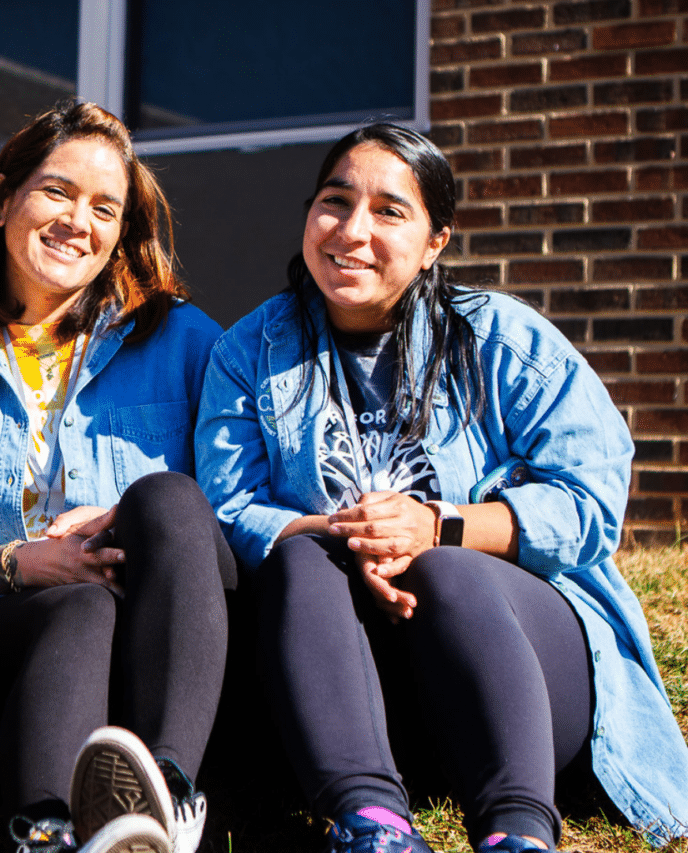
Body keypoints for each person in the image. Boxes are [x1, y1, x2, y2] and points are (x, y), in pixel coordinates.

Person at [195, 122, 688, 853]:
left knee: (448, 565)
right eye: (335, 202)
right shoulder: (247, 352)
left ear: (435, 242)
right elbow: (230, 509)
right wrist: (359, 537)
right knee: (302, 556)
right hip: (345, 689)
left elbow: (589, 504)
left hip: (516, 678)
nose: (352, 230)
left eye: (389, 211)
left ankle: (518, 830)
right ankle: (371, 823)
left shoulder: (503, 341)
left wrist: (435, 526)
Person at [0, 102, 235, 853]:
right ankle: (48, 830)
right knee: (79, 604)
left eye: (104, 208)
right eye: (57, 192)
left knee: (166, 496)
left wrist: (128, 516)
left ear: (122, 231)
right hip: (13, 648)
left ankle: (168, 793)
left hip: (167, 646)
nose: (76, 222)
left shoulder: (185, 341)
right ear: (3, 200)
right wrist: (15, 564)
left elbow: (235, 505)